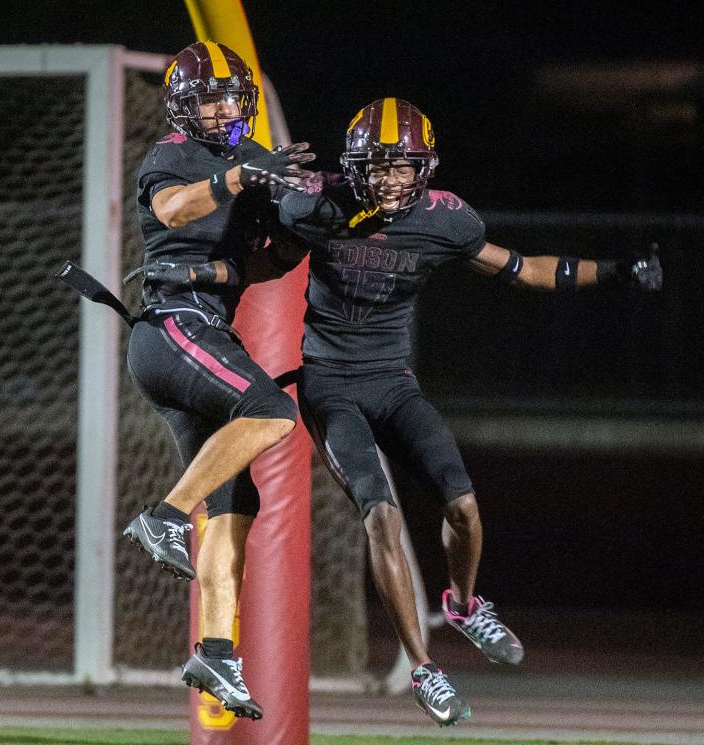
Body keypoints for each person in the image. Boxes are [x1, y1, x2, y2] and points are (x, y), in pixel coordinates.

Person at [189, 97, 662, 726]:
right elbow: (260, 264)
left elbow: (522, 270)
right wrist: (189, 281)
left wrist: (618, 272)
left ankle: (464, 605)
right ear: (354, 165)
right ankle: (423, 668)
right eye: (378, 166)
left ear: (424, 169)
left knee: (462, 505)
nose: (389, 179)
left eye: (402, 167)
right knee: (380, 517)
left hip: (394, 382)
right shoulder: (314, 205)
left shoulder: (445, 222)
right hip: (330, 385)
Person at [121, 40, 315, 720]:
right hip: (172, 326)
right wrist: (238, 179)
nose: (226, 106)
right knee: (271, 410)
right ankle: (161, 515)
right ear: (182, 104)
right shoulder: (173, 156)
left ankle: (215, 650)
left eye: (234, 96)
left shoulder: (244, 169)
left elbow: (255, 269)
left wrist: (298, 238)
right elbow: (174, 211)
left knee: (234, 510)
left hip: (201, 331)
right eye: (211, 96)